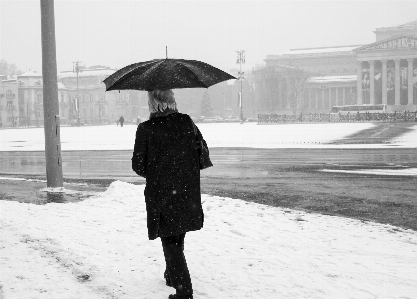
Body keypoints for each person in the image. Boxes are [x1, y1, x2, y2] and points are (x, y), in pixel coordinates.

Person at [132, 89, 207, 299]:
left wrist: (158, 172)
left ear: (152, 103)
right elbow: (201, 153)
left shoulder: (146, 129)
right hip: (186, 188)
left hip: (162, 191)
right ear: (172, 100)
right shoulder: (186, 122)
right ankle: (171, 275)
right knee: (177, 231)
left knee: (170, 239)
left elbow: (138, 165)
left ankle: (184, 293)